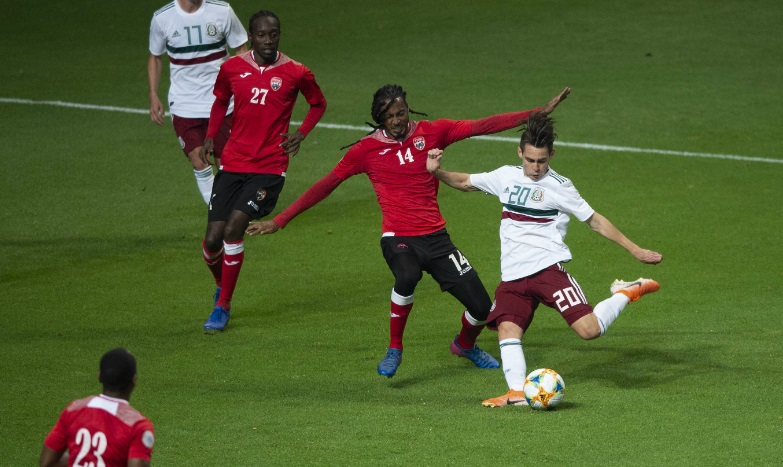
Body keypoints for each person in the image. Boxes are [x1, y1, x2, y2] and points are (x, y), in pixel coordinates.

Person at [246, 85, 571, 378]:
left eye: (401, 112)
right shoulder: (364, 151)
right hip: (398, 238)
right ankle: (395, 347)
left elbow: (482, 125)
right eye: (390, 115)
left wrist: (535, 114)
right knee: (406, 275)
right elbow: (325, 185)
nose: (398, 120)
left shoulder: (433, 132)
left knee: (482, 308)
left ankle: (464, 345)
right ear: (379, 118)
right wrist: (281, 219)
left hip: (437, 239)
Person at [424, 113, 662, 407]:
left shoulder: (561, 186)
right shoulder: (505, 177)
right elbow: (464, 182)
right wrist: (437, 172)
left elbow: (595, 221)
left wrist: (634, 249)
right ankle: (515, 393)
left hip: (547, 270)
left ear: (552, 155)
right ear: (520, 153)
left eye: (542, 161)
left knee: (589, 331)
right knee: (507, 329)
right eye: (531, 160)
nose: (536, 168)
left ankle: (626, 292)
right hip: (512, 276)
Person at [200, 10, 327, 333]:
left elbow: (318, 103)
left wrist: (301, 133)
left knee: (233, 230)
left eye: (273, 34)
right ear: (251, 37)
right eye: (261, 35)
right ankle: (221, 284)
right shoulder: (231, 68)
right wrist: (212, 136)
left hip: (269, 167)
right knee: (212, 240)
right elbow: (219, 101)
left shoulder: (296, 72)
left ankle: (223, 305)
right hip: (233, 162)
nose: (268, 40)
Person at [148, 0, 248, 204]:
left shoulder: (222, 11)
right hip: (185, 104)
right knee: (199, 160)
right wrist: (153, 94)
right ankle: (218, 213)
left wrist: (244, 83)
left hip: (222, 102)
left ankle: (230, 208)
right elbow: (155, 57)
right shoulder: (162, 18)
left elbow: (241, 49)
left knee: (227, 164)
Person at [39, 348, 155, 467]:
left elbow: (47, 463)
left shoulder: (73, 410)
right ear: (134, 380)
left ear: (99, 376)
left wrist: (82, 460)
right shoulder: (138, 425)